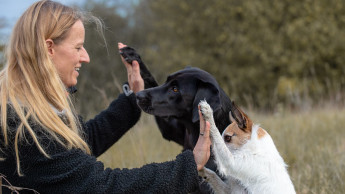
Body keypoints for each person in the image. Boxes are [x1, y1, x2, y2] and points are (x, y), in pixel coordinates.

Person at [0, 1, 211, 193]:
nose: (86, 57)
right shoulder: (24, 126)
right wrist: (189, 165)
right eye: (78, 47)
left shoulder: (25, 108)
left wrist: (133, 97)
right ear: (49, 48)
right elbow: (100, 186)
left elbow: (81, 143)